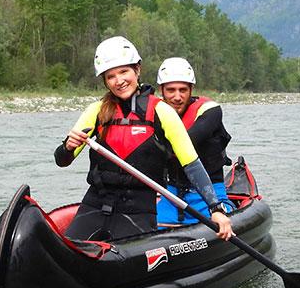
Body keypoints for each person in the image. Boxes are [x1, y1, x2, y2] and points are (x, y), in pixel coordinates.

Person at [54, 37, 233, 242]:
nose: (119, 81)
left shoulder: (161, 111)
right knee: (70, 247)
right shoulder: (96, 111)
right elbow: (62, 160)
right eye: (111, 76)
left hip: (137, 210)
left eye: (124, 72)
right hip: (95, 204)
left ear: (137, 70)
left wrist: (216, 208)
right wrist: (68, 147)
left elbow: (192, 165)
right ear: (104, 80)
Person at [155, 57, 233, 226]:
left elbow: (184, 144)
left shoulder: (210, 112)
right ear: (162, 90)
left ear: (191, 89)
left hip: (211, 193)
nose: (177, 97)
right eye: (171, 90)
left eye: (183, 90)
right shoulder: (155, 113)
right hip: (172, 194)